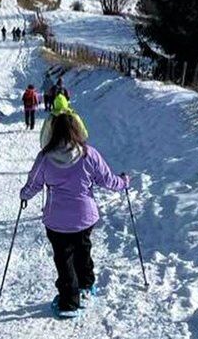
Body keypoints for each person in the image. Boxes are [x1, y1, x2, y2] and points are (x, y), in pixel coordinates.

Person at [19, 112, 129, 316]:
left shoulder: (44, 157)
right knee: (83, 249)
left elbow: (33, 183)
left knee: (64, 258)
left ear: (52, 132)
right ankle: (86, 287)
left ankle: (69, 303)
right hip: (85, 217)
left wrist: (24, 195)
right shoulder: (89, 154)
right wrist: (124, 182)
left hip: (56, 220)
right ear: (77, 129)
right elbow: (107, 180)